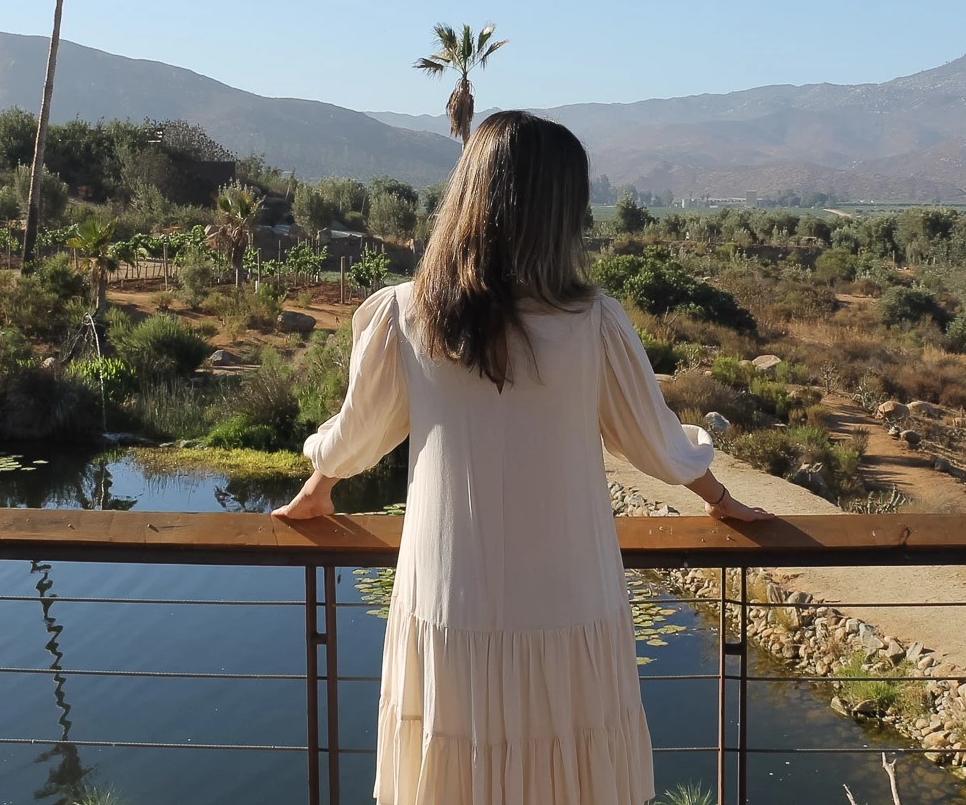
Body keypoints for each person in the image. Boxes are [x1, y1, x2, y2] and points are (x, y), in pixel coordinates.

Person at [274, 110, 772, 805]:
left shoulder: (407, 313)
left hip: (447, 587)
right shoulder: (592, 322)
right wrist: (720, 499)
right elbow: (654, 442)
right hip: (569, 590)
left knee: (454, 754)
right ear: (560, 210)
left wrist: (317, 485)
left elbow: (359, 432)